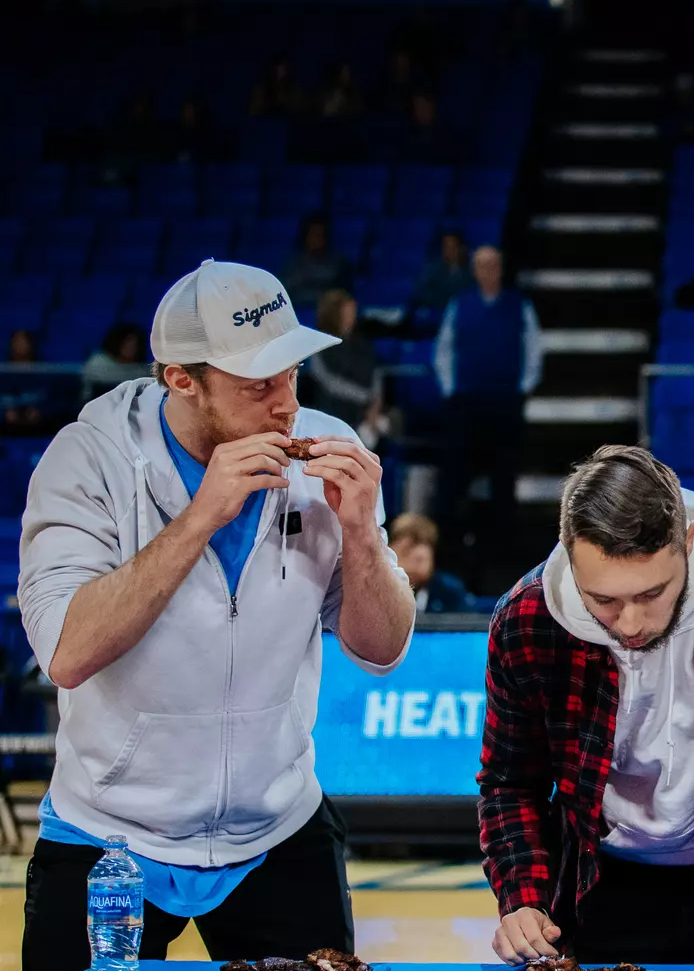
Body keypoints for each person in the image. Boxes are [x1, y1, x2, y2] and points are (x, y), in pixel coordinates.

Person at [17, 259, 415, 971]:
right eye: (258, 385)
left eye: (292, 373)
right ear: (181, 379)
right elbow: (67, 652)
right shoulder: (88, 460)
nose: (286, 404)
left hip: (280, 826)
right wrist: (202, 515)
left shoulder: (331, 452)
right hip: (108, 835)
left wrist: (360, 533)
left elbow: (381, 649)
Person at [479, 445, 694, 968]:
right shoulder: (526, 617)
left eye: (651, 594)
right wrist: (523, 901)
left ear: (687, 542)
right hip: (599, 879)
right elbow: (510, 782)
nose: (629, 624)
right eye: (603, 600)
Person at [433, 246, 542, 565]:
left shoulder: (519, 306)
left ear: (501, 268)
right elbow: (444, 349)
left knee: (503, 476)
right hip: (466, 402)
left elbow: (533, 350)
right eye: (482, 265)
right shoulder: (460, 305)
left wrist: (521, 389)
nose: (488, 271)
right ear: (474, 270)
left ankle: (502, 547)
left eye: (493, 265)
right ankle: (451, 546)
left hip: (505, 402)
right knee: (455, 475)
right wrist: (451, 390)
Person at [307, 289, 388, 447]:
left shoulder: (362, 342)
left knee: (389, 423)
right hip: (336, 409)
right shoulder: (319, 345)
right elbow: (330, 382)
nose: (352, 316)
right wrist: (366, 399)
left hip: (370, 408)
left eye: (353, 311)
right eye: (348, 311)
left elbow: (376, 372)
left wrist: (375, 403)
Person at [387, 513, 473, 613]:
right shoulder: (376, 586)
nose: (417, 556)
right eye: (406, 551)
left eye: (422, 558)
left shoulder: (450, 591)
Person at [282, 215, 353, 310]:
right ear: (306, 236)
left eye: (320, 235)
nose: (317, 240)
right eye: (314, 235)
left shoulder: (339, 264)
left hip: (329, 313)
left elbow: (344, 295)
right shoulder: (292, 264)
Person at [410, 229, 473, 330]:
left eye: (453, 247)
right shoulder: (432, 269)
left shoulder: (471, 273)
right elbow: (422, 292)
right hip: (434, 315)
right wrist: (448, 298)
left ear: (461, 248)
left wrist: (443, 295)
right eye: (446, 247)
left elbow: (467, 297)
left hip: (459, 317)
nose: (449, 251)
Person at [81, 323, 149, 401]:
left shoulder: (142, 371)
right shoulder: (98, 363)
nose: (130, 347)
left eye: (135, 344)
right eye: (126, 342)